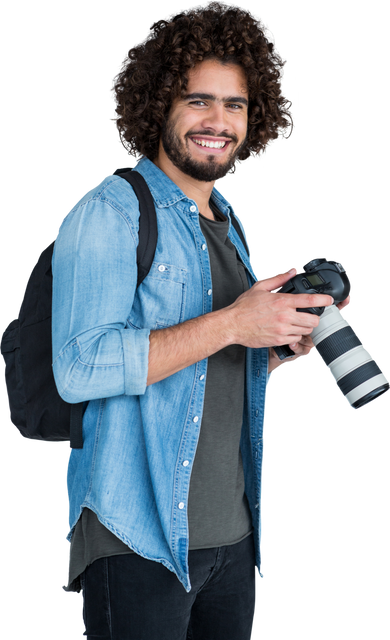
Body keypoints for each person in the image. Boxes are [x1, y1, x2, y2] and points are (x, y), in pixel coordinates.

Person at [55, 2, 353, 638]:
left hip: (235, 536)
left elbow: (205, 368)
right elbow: (79, 368)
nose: (218, 121)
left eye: (236, 104)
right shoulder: (109, 210)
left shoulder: (226, 217)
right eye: (198, 100)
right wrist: (232, 324)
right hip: (138, 536)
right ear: (157, 103)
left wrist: (274, 345)